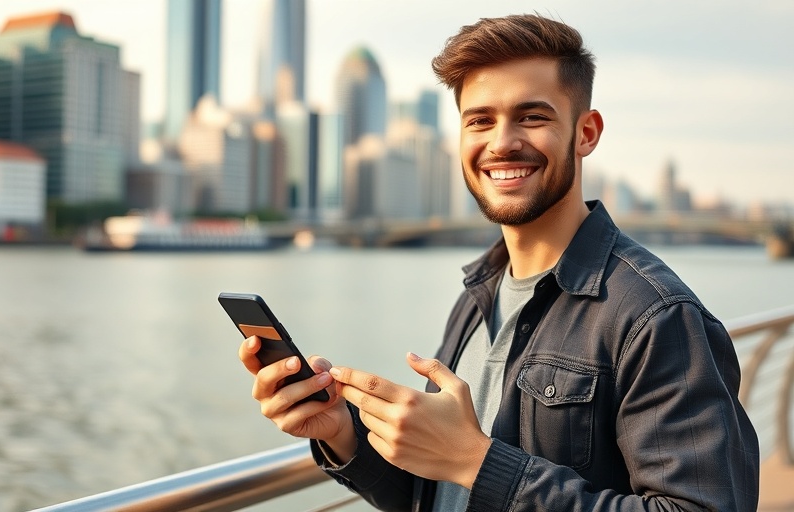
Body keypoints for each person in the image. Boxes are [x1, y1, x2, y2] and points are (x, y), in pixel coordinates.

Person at [238, 13, 760, 511]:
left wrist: (478, 462)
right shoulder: (478, 295)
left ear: (586, 133)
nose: (502, 143)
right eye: (480, 121)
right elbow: (439, 494)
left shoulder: (655, 315)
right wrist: (343, 433)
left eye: (532, 117)